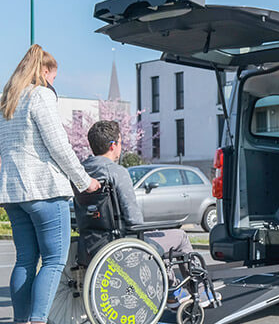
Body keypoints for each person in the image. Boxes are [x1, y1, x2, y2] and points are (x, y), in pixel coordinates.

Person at [0, 44, 101, 324]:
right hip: (43, 189)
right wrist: (84, 181)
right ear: (44, 71)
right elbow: (58, 145)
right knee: (54, 260)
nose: (54, 82)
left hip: (12, 192)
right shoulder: (40, 95)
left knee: (25, 259)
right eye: (53, 76)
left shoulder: (3, 104)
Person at [81, 120, 205, 306]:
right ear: (113, 145)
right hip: (123, 243)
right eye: (121, 142)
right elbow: (133, 219)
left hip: (91, 243)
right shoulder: (117, 172)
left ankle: (172, 291)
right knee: (179, 236)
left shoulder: (82, 171)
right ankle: (200, 293)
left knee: (157, 240)